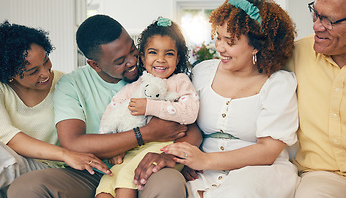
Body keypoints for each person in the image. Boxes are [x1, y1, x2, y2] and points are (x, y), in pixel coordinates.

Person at [8, 14, 201, 198]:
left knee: (169, 183)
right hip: (91, 170)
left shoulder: (155, 69)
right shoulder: (71, 85)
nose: (133, 62)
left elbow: (192, 127)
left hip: (146, 163)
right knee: (25, 188)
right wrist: (146, 133)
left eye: (133, 51)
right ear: (95, 65)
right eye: (120, 61)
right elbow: (73, 143)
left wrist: (176, 157)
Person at [161, 0, 300, 197]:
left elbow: (267, 151)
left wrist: (205, 160)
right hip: (204, 172)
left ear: (256, 46)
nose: (220, 47)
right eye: (218, 37)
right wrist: (188, 156)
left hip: (260, 171)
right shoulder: (203, 72)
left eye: (230, 41)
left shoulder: (278, 84)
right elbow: (187, 121)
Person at [0, 21, 111, 196]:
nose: (46, 73)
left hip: (56, 169)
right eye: (33, 71)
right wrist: (65, 154)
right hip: (18, 165)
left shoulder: (65, 83)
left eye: (46, 61)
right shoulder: (2, 90)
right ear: (10, 75)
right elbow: (10, 138)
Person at [96, 17, 199, 198]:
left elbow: (190, 112)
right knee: (105, 185)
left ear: (178, 58)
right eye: (153, 52)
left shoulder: (179, 82)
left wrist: (150, 107)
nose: (161, 59)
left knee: (126, 180)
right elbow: (111, 111)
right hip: (132, 150)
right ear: (142, 57)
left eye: (169, 54)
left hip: (164, 147)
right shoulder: (134, 86)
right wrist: (112, 145)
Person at [287, 0, 346, 198]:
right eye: (316, 14)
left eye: (329, 21)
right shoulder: (293, 54)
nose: (316, 26)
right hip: (321, 175)